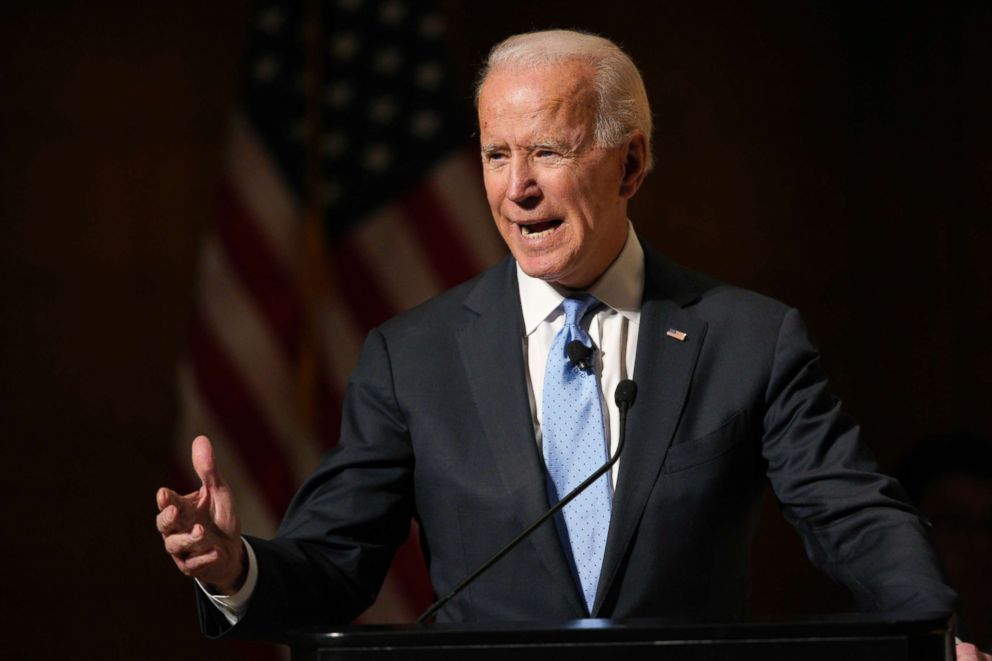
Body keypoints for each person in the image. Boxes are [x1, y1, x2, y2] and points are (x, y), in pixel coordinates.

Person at [156, 29, 988, 658]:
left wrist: (930, 634)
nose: (516, 188)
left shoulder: (746, 340)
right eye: (495, 154)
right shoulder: (414, 357)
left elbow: (852, 513)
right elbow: (335, 563)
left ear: (630, 166)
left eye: (547, 152)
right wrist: (235, 567)